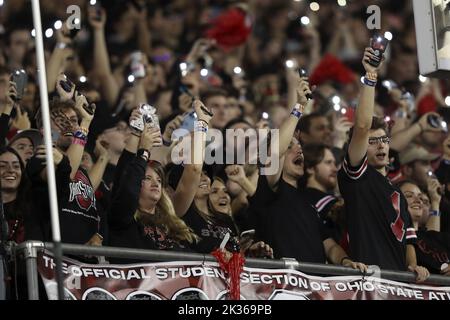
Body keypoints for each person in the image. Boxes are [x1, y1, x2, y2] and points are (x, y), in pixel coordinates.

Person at [248, 74, 366, 271]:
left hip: (314, 289)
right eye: (291, 146)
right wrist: (298, 108)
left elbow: (329, 245)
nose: (299, 149)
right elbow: (276, 151)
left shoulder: (308, 203)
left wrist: (346, 262)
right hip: (284, 287)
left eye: (300, 145)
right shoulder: (269, 191)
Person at [337, 47, 429, 280]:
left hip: (398, 285)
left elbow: (409, 239)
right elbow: (361, 126)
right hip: (370, 284)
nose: (381, 146)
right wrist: (370, 77)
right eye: (373, 141)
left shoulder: (398, 191)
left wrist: (413, 266)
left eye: (384, 140)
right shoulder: (357, 177)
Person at [108, 100, 212, 262]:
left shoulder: (171, 219)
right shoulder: (122, 218)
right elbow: (126, 183)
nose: (156, 183)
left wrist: (202, 124)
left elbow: (194, 170)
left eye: (158, 179)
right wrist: (139, 143)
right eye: (147, 178)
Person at [398, 180, 450, 276]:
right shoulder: (396, 238)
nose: (418, 200)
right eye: (409, 196)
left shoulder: (439, 237)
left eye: (421, 197)